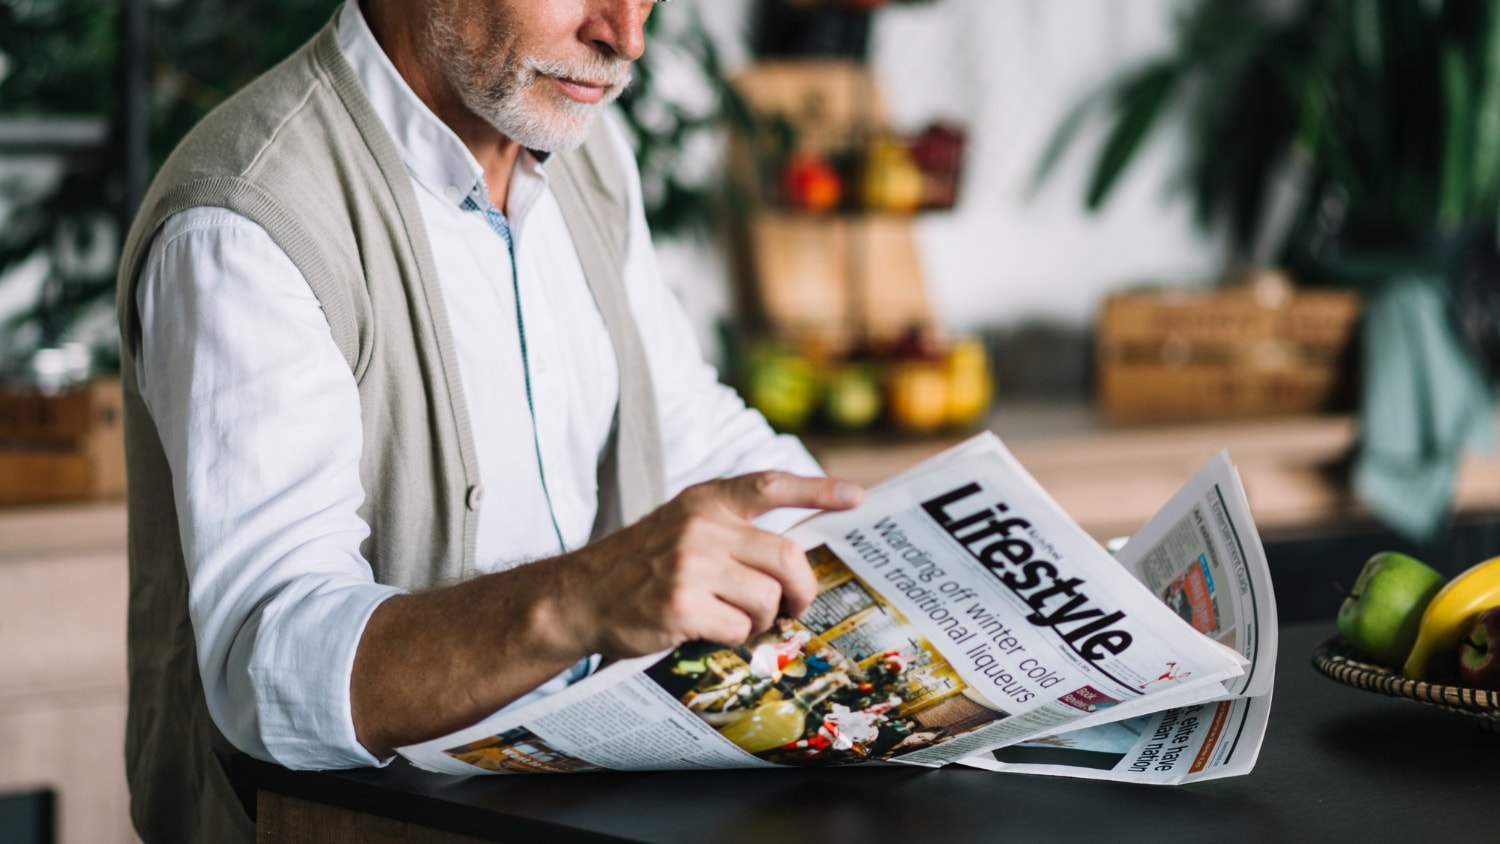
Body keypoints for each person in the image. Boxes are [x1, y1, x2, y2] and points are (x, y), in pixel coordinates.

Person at [113, 1, 864, 840]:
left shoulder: (586, 150)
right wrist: (581, 598)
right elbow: (270, 668)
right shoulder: (246, 219)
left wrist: (888, 542)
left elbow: (684, 422)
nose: (626, 35)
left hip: (570, 805)